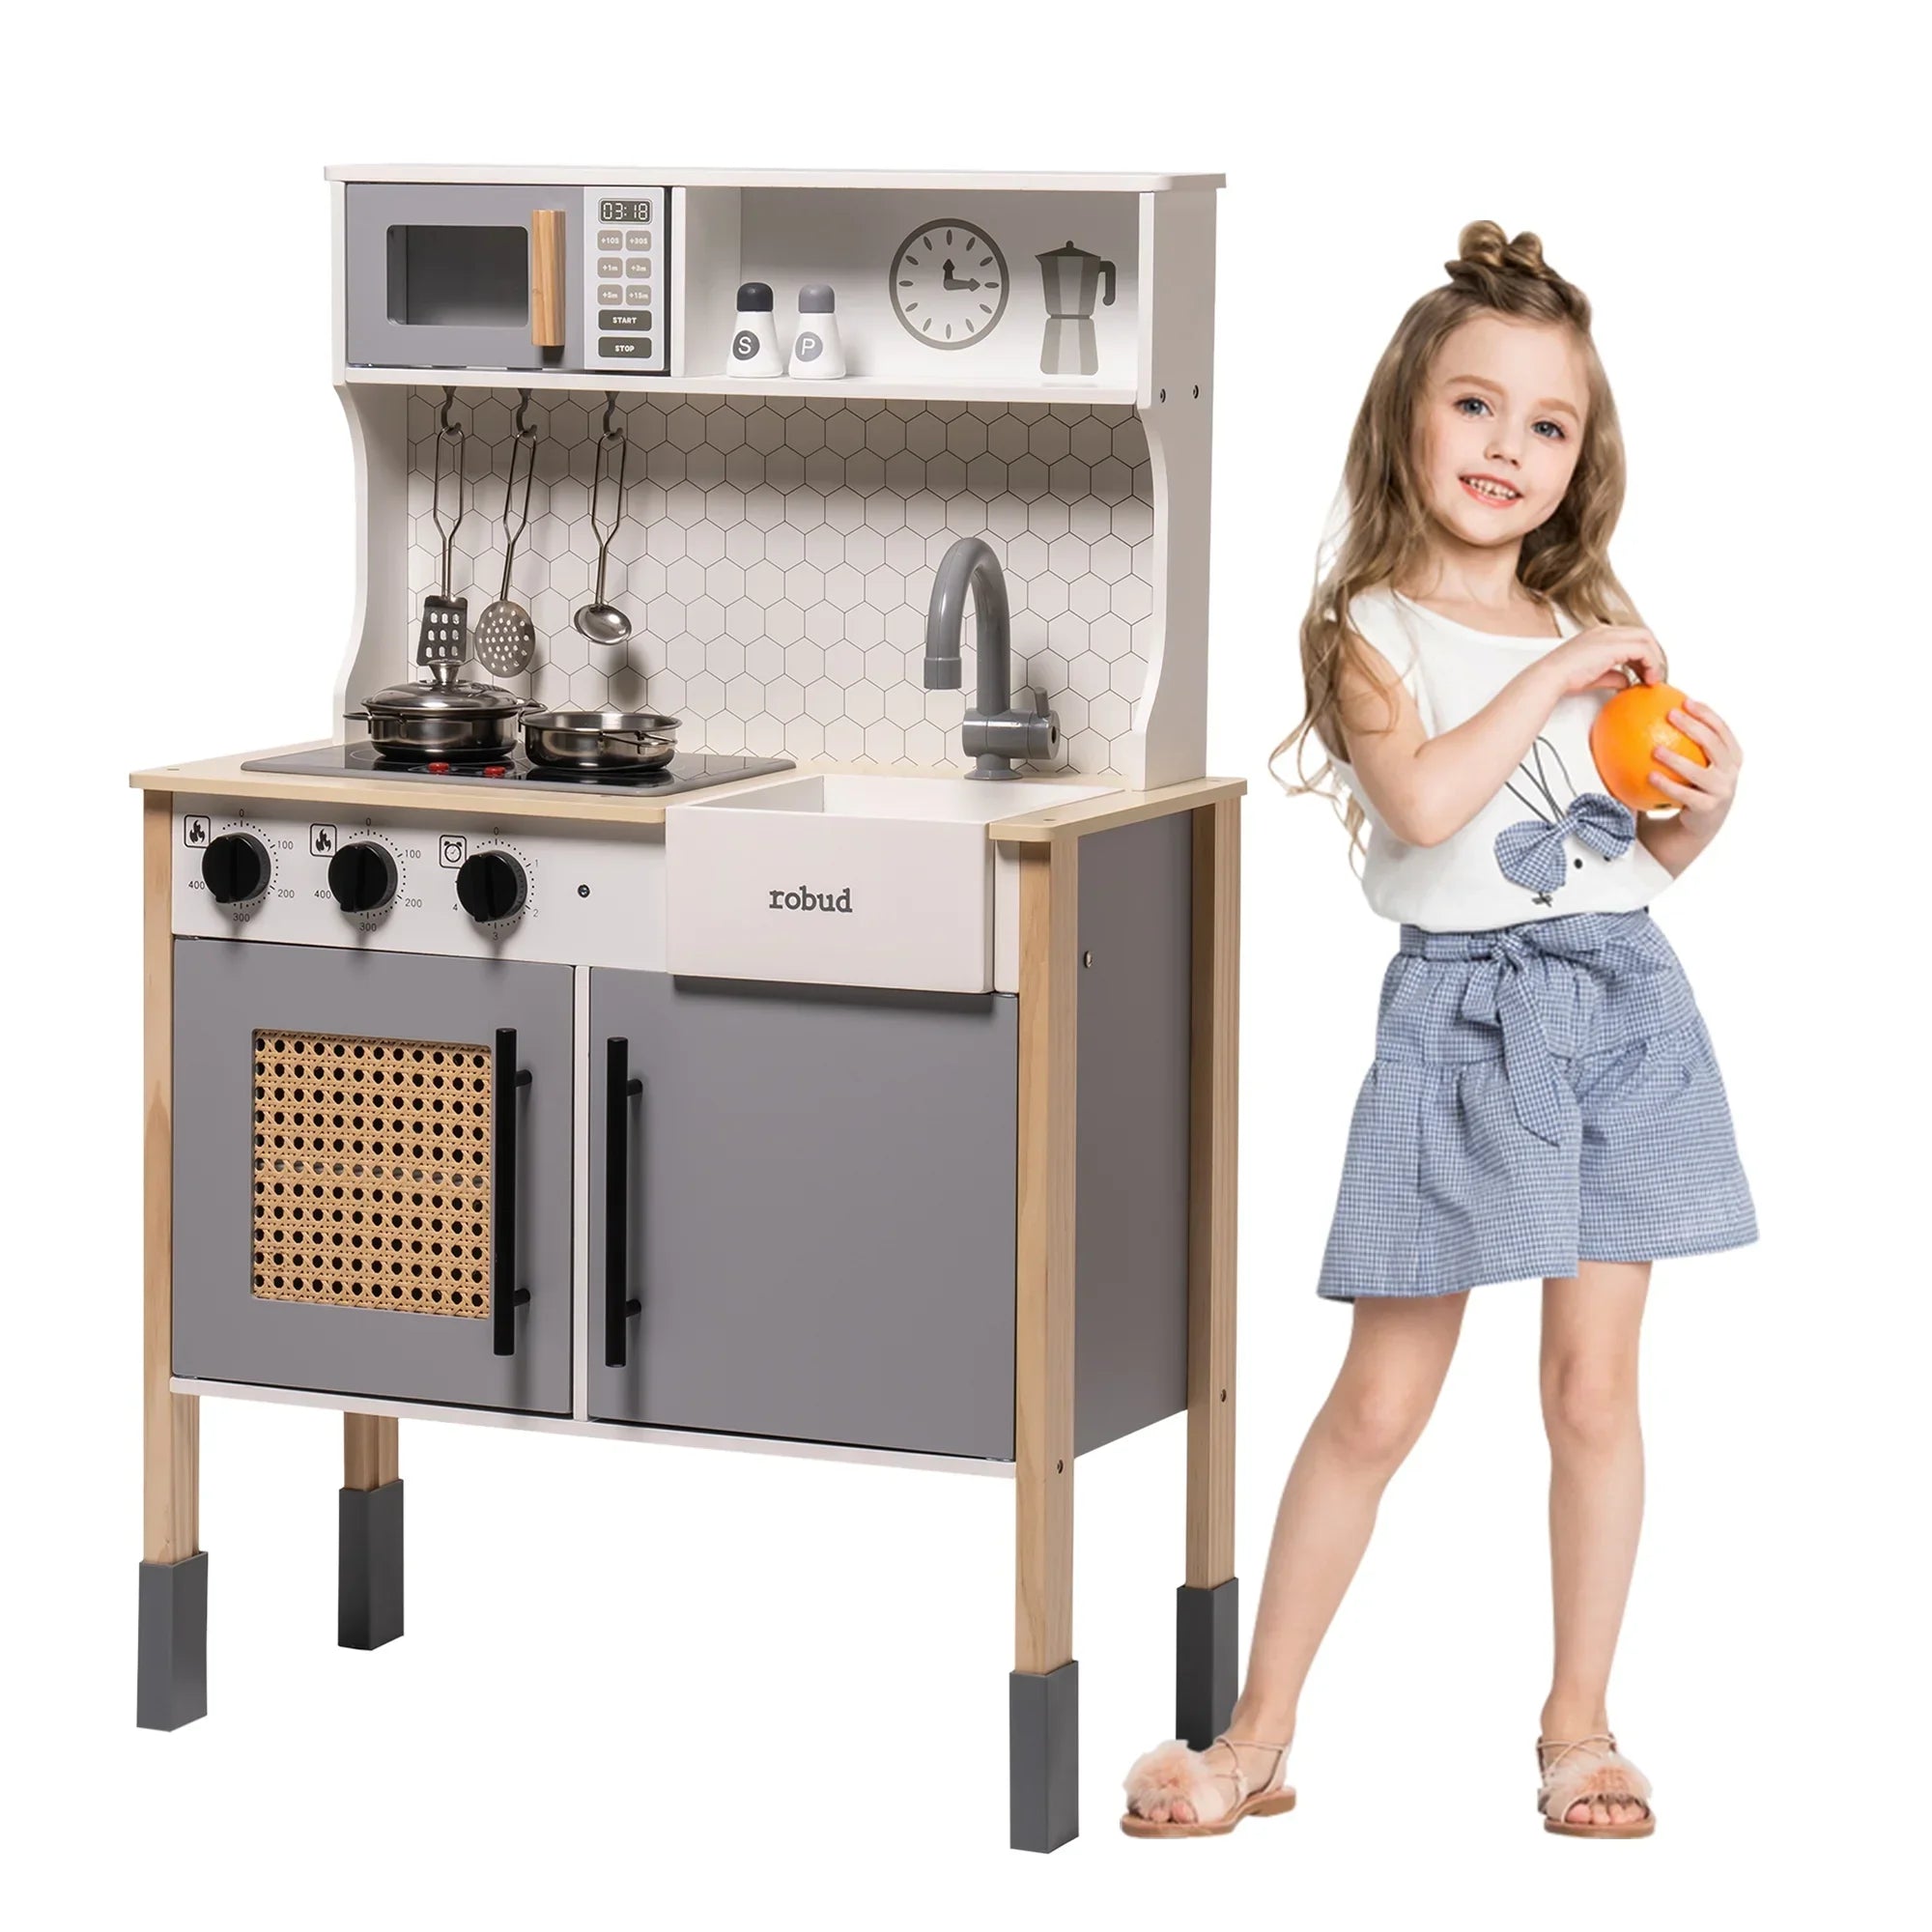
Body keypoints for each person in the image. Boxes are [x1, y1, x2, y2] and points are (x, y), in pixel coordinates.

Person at [1119, 221, 1758, 1842]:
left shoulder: (1580, 621)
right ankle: (1257, 1738)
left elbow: (1631, 848)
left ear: (1580, 460)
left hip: (1618, 1009)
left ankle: (1579, 1725)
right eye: (1477, 408)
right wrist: (1548, 693)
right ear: (1407, 415)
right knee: (1384, 1401)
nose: (1509, 449)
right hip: (1460, 1031)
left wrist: (1709, 799)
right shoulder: (1372, 633)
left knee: (1594, 1392)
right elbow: (1423, 802)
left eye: (1548, 426)